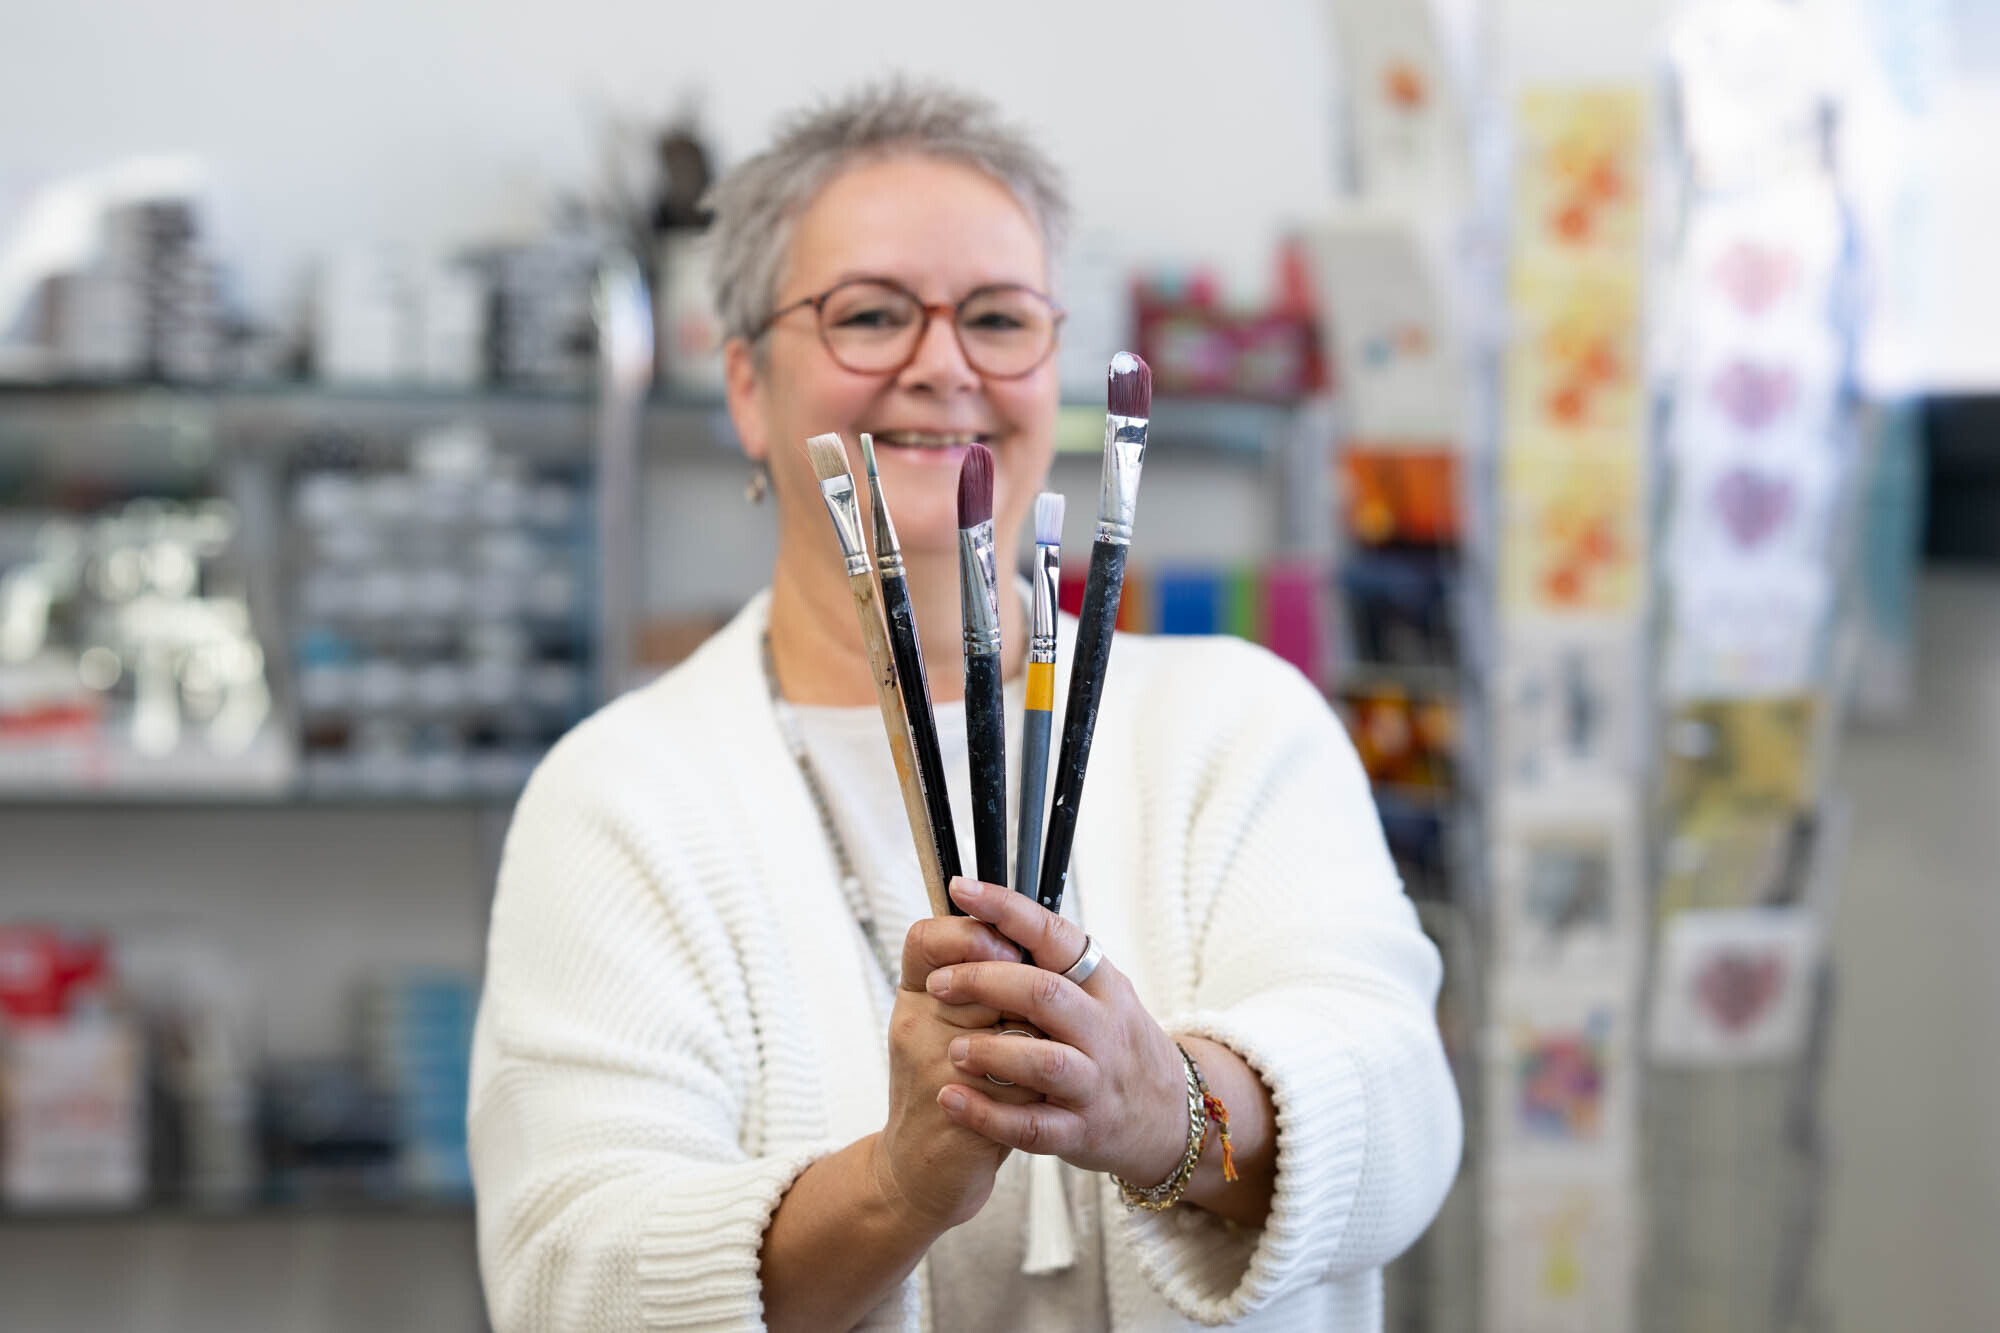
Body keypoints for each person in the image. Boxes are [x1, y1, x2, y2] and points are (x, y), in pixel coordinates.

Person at [468, 80, 1461, 1332]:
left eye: (998, 318)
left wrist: (1164, 1108)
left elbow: (1404, 1115)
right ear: (742, 386)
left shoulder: (1239, 727)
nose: (941, 365)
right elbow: (572, 1274)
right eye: (869, 314)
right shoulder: (620, 797)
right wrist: (892, 1189)